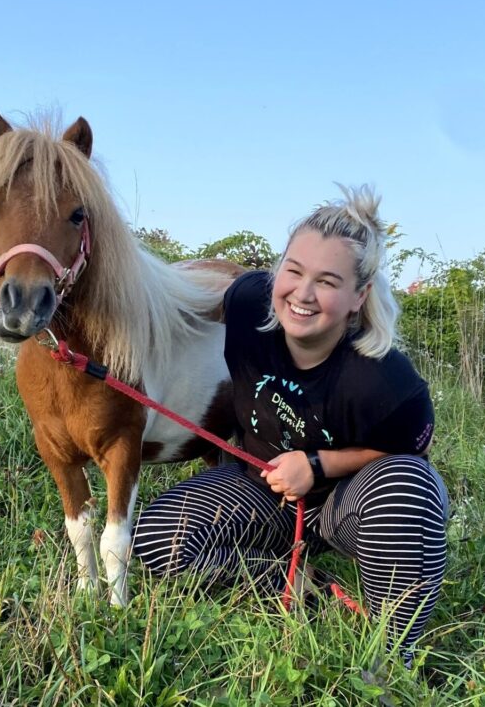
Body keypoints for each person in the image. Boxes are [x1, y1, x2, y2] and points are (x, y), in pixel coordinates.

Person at [131, 185, 449, 664]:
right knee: (158, 538)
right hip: (263, 488)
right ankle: (308, 590)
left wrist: (318, 466)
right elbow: (165, 302)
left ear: (359, 296)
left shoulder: (388, 382)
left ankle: (391, 654)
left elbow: (405, 452)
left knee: (409, 488)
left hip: (349, 499)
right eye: (293, 271)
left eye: (326, 281)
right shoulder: (244, 302)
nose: (301, 294)